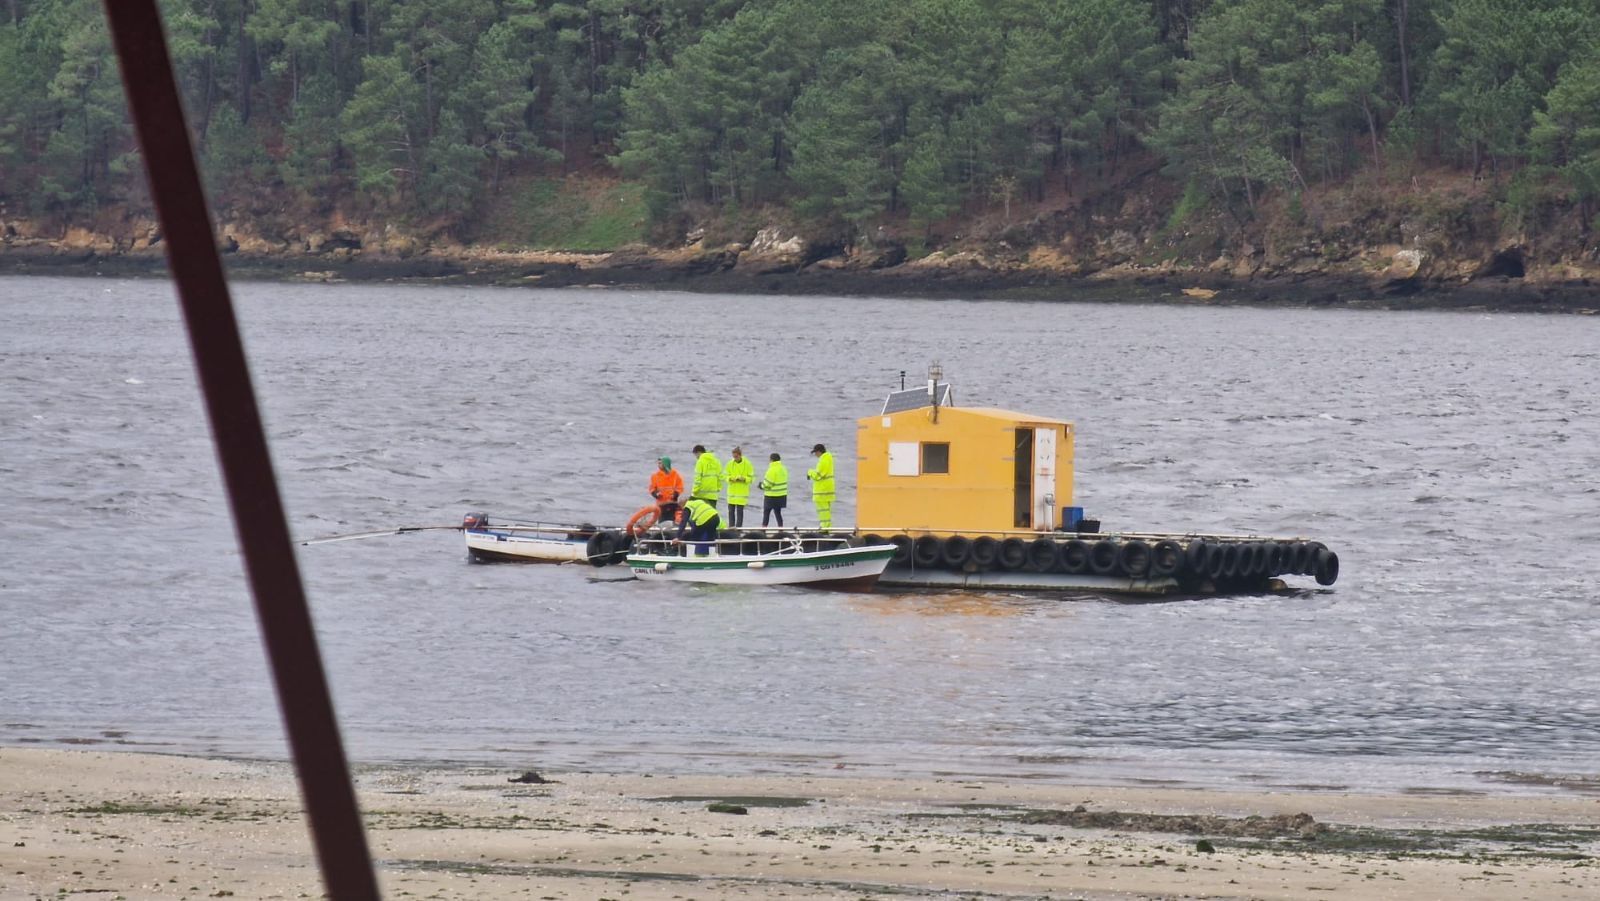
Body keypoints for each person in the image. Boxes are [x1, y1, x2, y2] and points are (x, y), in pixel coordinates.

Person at [723, 446, 754, 528]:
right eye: (733, 457)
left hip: (742, 493)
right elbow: (725, 476)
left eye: (736, 457)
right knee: (731, 511)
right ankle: (731, 528)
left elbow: (752, 478)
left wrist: (744, 479)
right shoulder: (729, 464)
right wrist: (731, 478)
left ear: (740, 455)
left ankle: (739, 529)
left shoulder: (748, 464)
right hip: (732, 493)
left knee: (740, 512)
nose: (735, 458)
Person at [807, 443, 835, 530]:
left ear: (819, 452)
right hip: (827, 489)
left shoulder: (823, 461)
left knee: (823, 510)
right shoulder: (828, 459)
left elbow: (818, 476)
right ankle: (826, 526)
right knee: (826, 510)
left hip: (822, 490)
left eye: (815, 452)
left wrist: (810, 472)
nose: (815, 454)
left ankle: (824, 527)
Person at [648, 456, 684, 524]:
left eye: (660, 463)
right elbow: (652, 488)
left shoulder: (675, 474)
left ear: (665, 464)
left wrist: (676, 494)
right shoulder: (655, 476)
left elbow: (680, 486)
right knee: (662, 522)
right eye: (658, 463)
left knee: (673, 521)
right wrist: (656, 494)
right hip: (661, 504)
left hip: (672, 503)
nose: (659, 465)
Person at [690, 444, 722, 512]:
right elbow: (720, 477)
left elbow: (697, 479)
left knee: (700, 515)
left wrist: (694, 491)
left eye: (695, 455)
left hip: (701, 495)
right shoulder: (716, 461)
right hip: (713, 495)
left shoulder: (700, 461)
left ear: (698, 452)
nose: (696, 457)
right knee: (711, 515)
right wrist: (718, 488)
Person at [759, 452, 788, 527]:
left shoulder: (771, 470)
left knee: (766, 513)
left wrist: (761, 486)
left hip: (771, 495)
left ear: (771, 460)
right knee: (778, 513)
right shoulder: (783, 469)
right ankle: (781, 529)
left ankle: (763, 530)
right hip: (781, 495)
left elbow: (768, 484)